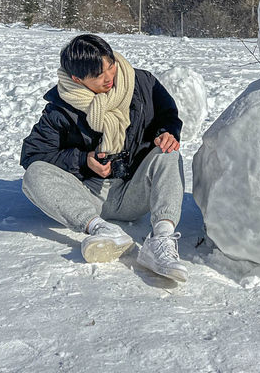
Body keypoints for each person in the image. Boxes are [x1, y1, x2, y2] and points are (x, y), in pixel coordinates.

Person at [20, 33, 187, 282]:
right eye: (98, 75)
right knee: (34, 175)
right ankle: (102, 230)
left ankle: (161, 240)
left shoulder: (142, 83)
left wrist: (167, 133)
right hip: (88, 197)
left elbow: (168, 115)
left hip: (134, 190)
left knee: (169, 153)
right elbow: (33, 154)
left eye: (110, 66)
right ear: (77, 79)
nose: (109, 77)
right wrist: (82, 160)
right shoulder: (61, 107)